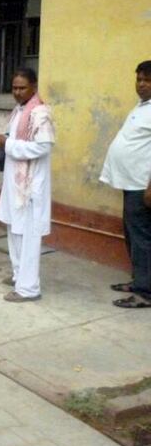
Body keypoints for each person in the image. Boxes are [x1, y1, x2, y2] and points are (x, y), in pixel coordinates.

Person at [0, 68, 55, 303]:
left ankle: (29, 288)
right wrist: (3, 141)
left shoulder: (40, 113)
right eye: (14, 87)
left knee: (28, 236)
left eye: (22, 88)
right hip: (15, 184)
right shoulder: (20, 110)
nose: (17, 92)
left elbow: (43, 146)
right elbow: (14, 138)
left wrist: (7, 143)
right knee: (14, 229)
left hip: (30, 186)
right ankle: (19, 275)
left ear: (34, 87)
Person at [100, 60, 151, 308]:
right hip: (130, 183)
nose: (141, 84)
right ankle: (139, 280)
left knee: (141, 237)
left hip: (143, 185)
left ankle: (145, 292)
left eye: (147, 80)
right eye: (139, 79)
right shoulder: (142, 106)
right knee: (133, 234)